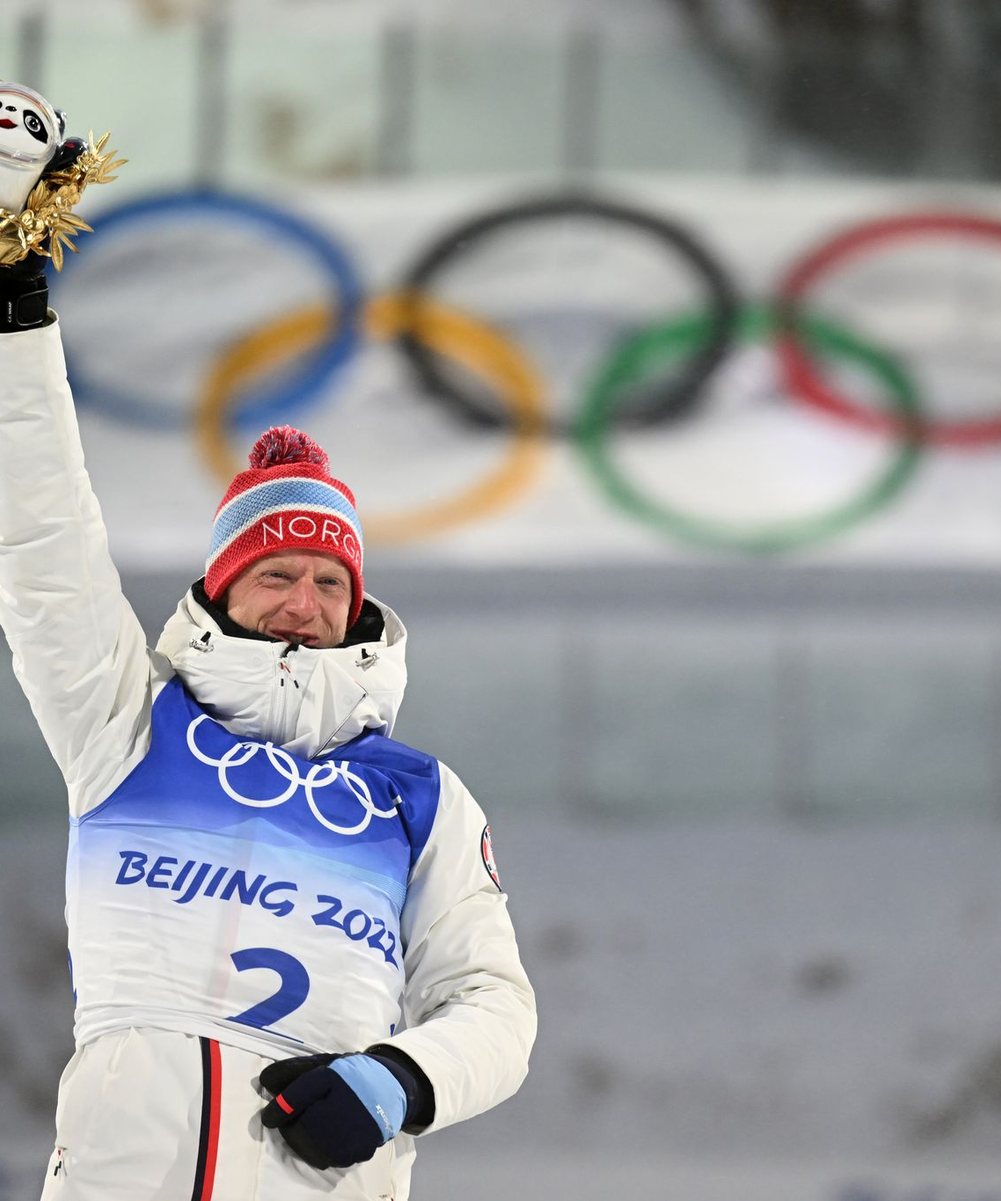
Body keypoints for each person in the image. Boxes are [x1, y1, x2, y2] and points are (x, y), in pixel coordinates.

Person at [0, 88, 536, 1201]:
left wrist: (397, 1080)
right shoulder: (127, 723)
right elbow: (41, 531)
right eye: (276, 575)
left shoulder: (421, 796)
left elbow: (495, 1007)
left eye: (330, 580)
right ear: (222, 591)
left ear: (358, 605)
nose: (304, 600)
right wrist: (12, 305)